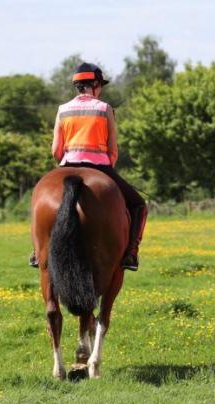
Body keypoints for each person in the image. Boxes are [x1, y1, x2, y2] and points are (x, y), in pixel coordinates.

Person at [30, 62, 147, 271]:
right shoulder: (104, 109)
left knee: (40, 199)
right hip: (100, 168)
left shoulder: (63, 110)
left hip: (67, 165)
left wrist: (66, 161)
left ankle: (38, 252)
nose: (100, 89)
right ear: (94, 84)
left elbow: (56, 150)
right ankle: (131, 253)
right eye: (100, 85)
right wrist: (108, 170)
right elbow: (112, 150)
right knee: (139, 205)